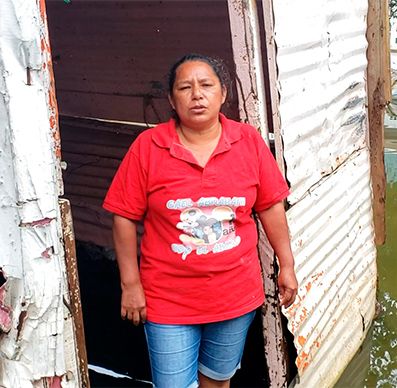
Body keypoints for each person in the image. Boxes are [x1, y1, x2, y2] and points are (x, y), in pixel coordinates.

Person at [103, 53, 298, 388]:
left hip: (234, 296)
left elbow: (270, 207)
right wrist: (130, 285)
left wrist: (288, 264)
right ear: (171, 99)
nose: (197, 94)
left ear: (223, 94)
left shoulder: (248, 141)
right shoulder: (148, 147)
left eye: (206, 85)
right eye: (185, 87)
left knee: (218, 380)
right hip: (168, 299)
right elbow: (124, 217)